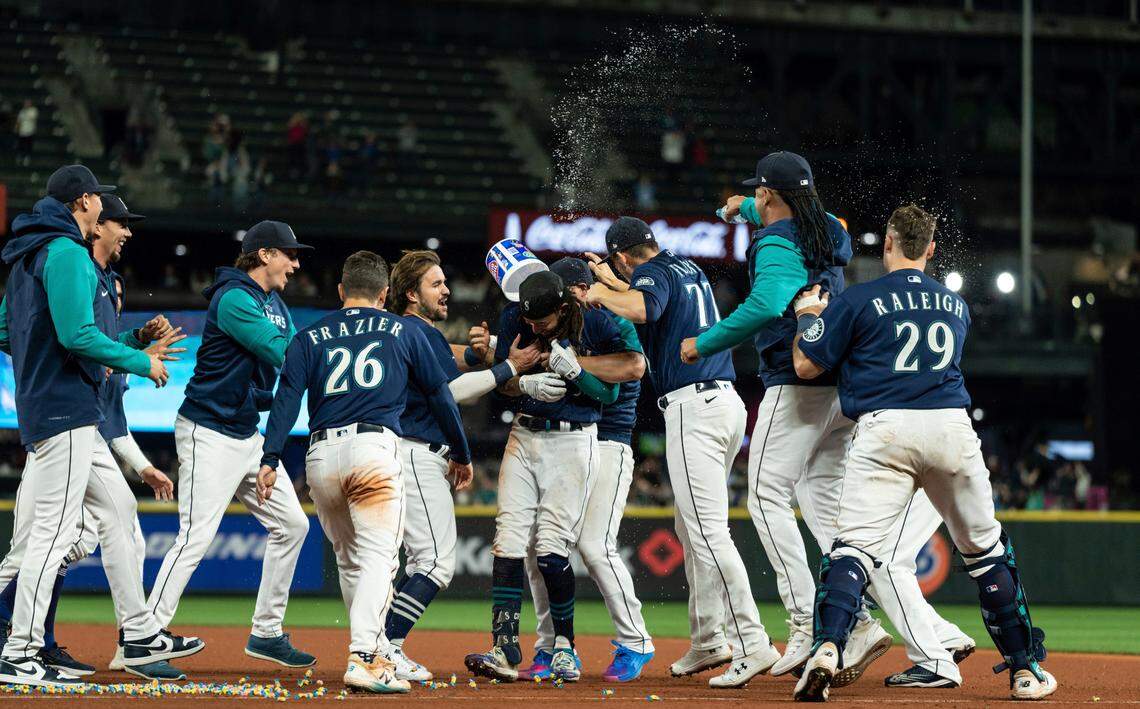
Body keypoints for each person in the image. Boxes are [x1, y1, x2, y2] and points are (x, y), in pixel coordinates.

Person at [789, 205, 1056, 702]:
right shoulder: (956, 306)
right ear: (931, 249)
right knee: (986, 552)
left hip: (885, 429)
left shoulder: (860, 298)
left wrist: (808, 317)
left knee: (852, 550)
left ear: (887, 243)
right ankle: (1024, 670)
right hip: (951, 427)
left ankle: (827, 648)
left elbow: (806, 365)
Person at [681, 151, 893, 684]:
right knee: (822, 504)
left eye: (758, 193)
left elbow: (768, 300)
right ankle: (857, 619)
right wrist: (743, 211)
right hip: (837, 383)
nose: (754, 198)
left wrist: (703, 342)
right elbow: (806, 224)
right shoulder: (829, 228)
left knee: (765, 497)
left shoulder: (776, 240)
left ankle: (807, 622)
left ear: (771, 196)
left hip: (795, 383)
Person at [0, 166, 200, 687]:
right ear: (86, 201)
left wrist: (40, 360)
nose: (119, 225)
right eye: (101, 207)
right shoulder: (65, 251)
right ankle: (18, 652)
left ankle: (137, 634)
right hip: (65, 410)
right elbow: (76, 335)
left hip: (61, 409)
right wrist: (141, 362)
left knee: (118, 509)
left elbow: (7, 330)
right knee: (49, 536)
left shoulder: (29, 254)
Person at [258, 251, 473, 694]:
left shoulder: (309, 335)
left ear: (341, 292)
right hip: (374, 449)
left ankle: (371, 651)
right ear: (384, 293)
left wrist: (270, 457)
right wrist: (462, 452)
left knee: (350, 561)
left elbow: (286, 401)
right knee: (379, 558)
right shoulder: (401, 328)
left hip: (320, 457)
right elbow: (440, 397)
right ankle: (366, 656)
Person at [584, 217, 779, 689]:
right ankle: (709, 638)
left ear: (625, 256)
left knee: (708, 533)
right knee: (690, 529)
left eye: (617, 265)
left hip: (695, 406)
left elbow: (646, 308)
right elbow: (654, 299)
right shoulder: (684, 267)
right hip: (724, 403)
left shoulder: (651, 273)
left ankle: (752, 642)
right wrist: (613, 282)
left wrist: (599, 294)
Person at [146, 220, 314, 669]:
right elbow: (283, 353)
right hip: (208, 431)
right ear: (264, 255)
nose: (296, 264)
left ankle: (266, 632)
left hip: (244, 433)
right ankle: (145, 638)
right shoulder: (236, 297)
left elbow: (288, 362)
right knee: (195, 537)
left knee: (293, 525)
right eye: (289, 254)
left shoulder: (275, 303)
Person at [464, 270, 641, 683]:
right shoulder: (516, 318)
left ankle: (564, 647)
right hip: (524, 434)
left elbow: (612, 393)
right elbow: (502, 385)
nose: (533, 328)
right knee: (507, 540)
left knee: (550, 549)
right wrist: (523, 381)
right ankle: (504, 646)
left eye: (541, 322)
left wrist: (578, 372)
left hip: (575, 440)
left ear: (563, 308)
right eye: (529, 321)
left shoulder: (595, 321)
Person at [381, 249, 541, 681]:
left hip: (396, 449)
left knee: (400, 563)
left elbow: (449, 358)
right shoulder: (416, 329)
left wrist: (479, 354)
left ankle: (375, 643)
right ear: (412, 294)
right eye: (436, 283)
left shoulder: (407, 330)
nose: (447, 289)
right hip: (415, 450)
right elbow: (450, 391)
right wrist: (509, 365)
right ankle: (385, 645)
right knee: (434, 564)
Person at [519, 257, 654, 683]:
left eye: (571, 289)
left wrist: (575, 365)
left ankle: (636, 642)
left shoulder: (609, 317)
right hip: (567, 441)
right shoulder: (564, 325)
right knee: (539, 548)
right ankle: (549, 646)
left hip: (610, 441)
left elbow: (635, 366)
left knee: (595, 545)